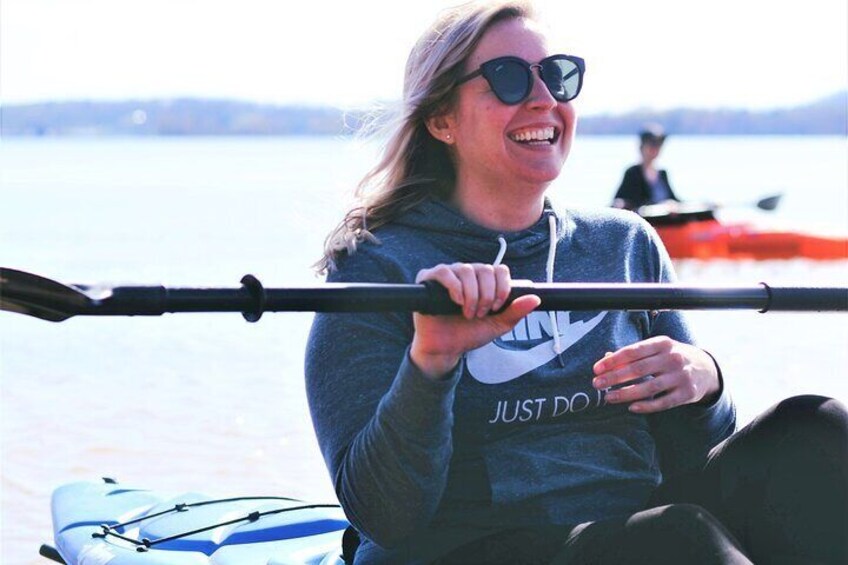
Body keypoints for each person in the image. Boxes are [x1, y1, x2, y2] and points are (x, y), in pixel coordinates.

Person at [305, 2, 848, 563]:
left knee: (813, 427)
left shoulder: (623, 244)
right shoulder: (379, 267)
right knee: (677, 540)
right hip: (469, 547)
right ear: (442, 119)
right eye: (509, 78)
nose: (545, 99)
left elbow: (697, 454)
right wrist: (431, 364)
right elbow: (383, 516)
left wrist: (704, 386)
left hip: (637, 521)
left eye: (559, 76)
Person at [612, 123, 680, 211]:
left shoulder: (662, 173)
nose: (655, 148)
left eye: (658, 145)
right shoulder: (633, 173)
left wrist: (672, 204)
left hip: (665, 220)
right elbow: (620, 201)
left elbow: (675, 200)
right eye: (652, 144)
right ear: (642, 147)